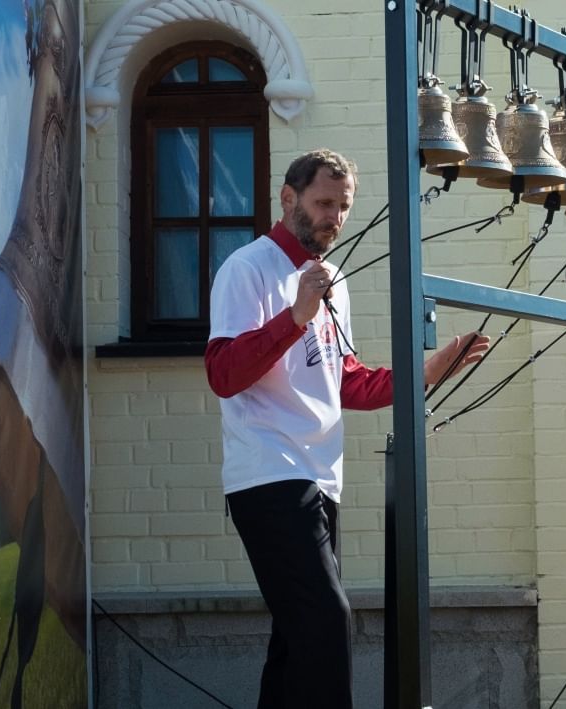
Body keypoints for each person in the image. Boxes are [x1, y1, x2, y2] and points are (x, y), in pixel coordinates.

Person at [205, 148, 489, 708]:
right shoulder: (247, 269)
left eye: (344, 206)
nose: (334, 217)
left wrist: (424, 373)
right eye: (322, 203)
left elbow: (346, 383)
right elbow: (223, 374)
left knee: (295, 641)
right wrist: (293, 319)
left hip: (320, 478)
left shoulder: (332, 278)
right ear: (288, 199)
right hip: (268, 474)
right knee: (326, 621)